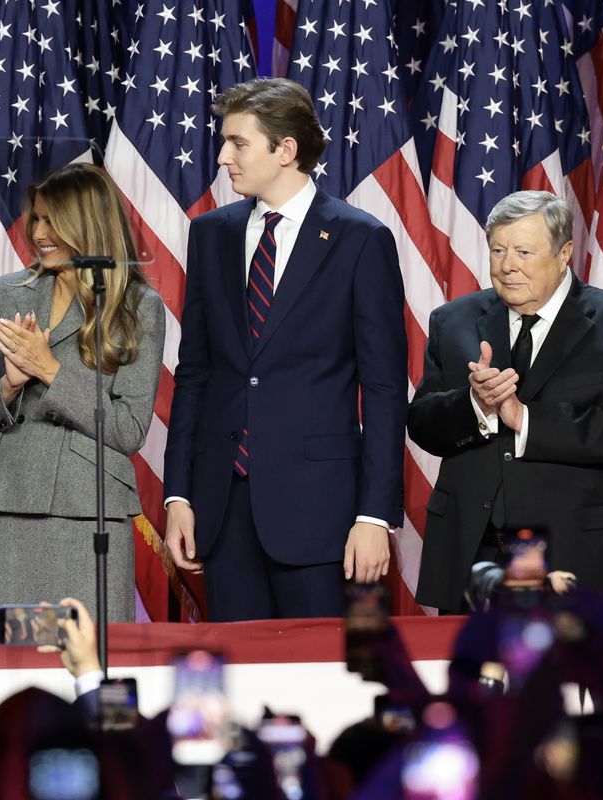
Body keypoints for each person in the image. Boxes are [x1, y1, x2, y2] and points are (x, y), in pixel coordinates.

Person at [162, 78, 409, 620]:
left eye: (238, 142)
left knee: (326, 683)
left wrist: (374, 516)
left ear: (285, 149)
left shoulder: (359, 239)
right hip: (223, 511)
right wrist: (178, 494)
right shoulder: (211, 235)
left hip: (323, 514)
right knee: (240, 691)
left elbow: (386, 388)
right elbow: (196, 374)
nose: (224, 156)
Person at [409, 190, 603, 612]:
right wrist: (475, 406)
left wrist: (524, 417)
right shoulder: (453, 321)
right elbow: (422, 422)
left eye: (524, 251)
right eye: (498, 250)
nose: (507, 266)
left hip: (575, 555)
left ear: (564, 255)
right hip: (474, 555)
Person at [0, 163, 166, 624]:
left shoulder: (138, 308)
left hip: (86, 512)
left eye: (52, 220)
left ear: (87, 223)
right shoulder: (7, 293)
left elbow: (128, 430)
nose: (38, 232)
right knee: (7, 663)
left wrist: (50, 371)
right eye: (35, 219)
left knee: (85, 666)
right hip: (6, 508)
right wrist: (10, 384)